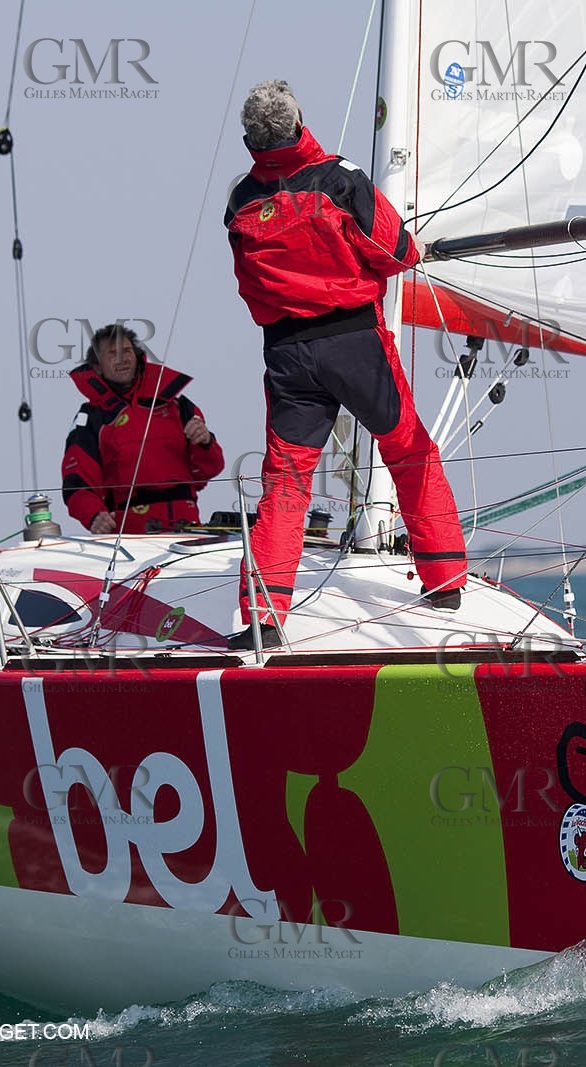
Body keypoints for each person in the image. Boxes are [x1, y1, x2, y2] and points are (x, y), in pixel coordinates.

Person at [223, 79, 467, 650]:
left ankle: (264, 616)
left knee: (285, 481)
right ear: (300, 120)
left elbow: (246, 276)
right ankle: (445, 578)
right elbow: (394, 253)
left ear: (249, 140)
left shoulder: (239, 200)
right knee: (408, 448)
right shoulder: (341, 178)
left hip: (285, 351)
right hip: (353, 340)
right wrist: (416, 251)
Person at [60, 323, 225, 535]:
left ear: (138, 356)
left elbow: (209, 469)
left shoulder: (178, 406)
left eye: (127, 351)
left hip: (188, 531)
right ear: (97, 366)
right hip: (130, 537)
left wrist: (205, 442)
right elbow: (76, 481)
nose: (121, 358)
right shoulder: (92, 418)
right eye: (112, 353)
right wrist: (93, 516)